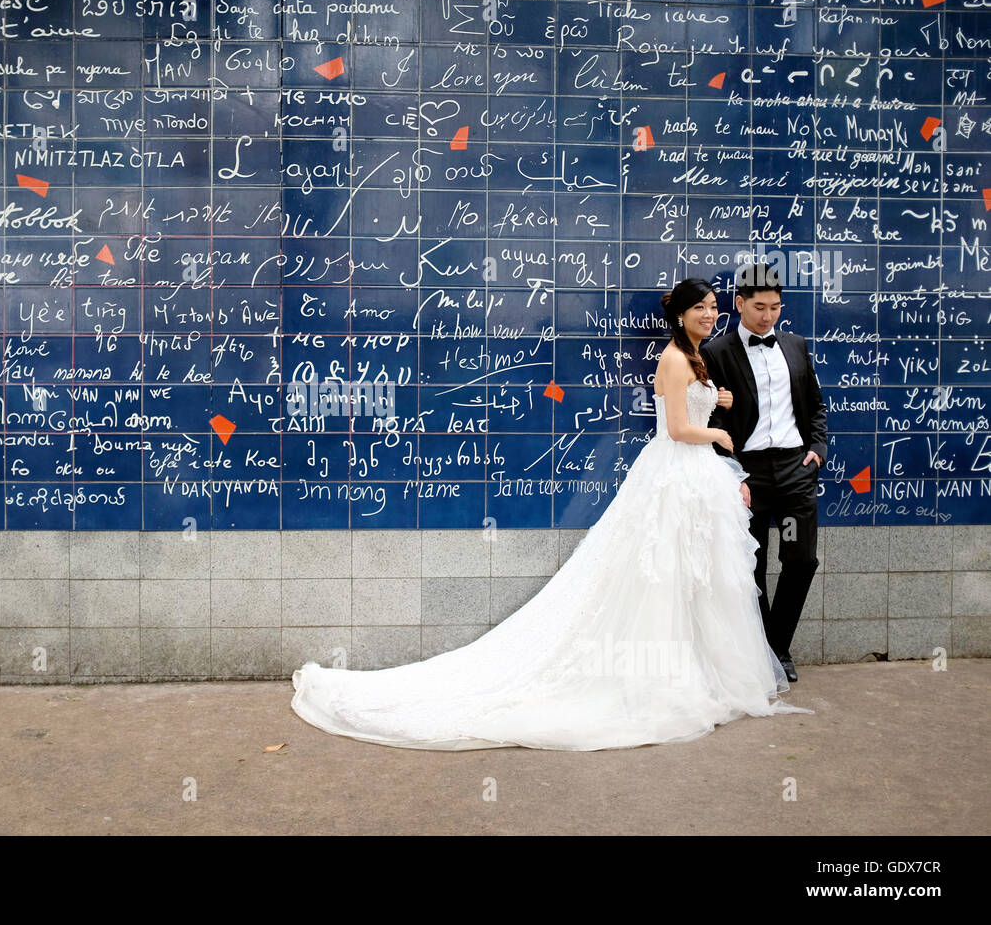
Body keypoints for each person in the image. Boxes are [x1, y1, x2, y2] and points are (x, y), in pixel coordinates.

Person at [289, 278, 813, 751]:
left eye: (712, 307)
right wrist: (717, 432)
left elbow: (698, 406)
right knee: (663, 572)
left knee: (694, 575)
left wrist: (715, 400)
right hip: (678, 470)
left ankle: (698, 667)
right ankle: (662, 674)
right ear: (679, 314)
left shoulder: (698, 358)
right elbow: (676, 429)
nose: (709, 314)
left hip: (697, 477)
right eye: (700, 307)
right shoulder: (676, 358)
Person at [699, 263, 828, 684]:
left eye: (774, 307)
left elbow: (815, 405)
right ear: (739, 304)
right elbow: (708, 417)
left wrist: (817, 450)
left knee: (800, 559)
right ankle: (764, 656)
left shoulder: (795, 345)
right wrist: (729, 473)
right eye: (759, 307)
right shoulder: (717, 353)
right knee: (750, 565)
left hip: (794, 471)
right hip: (748, 474)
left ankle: (777, 647)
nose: (768, 316)